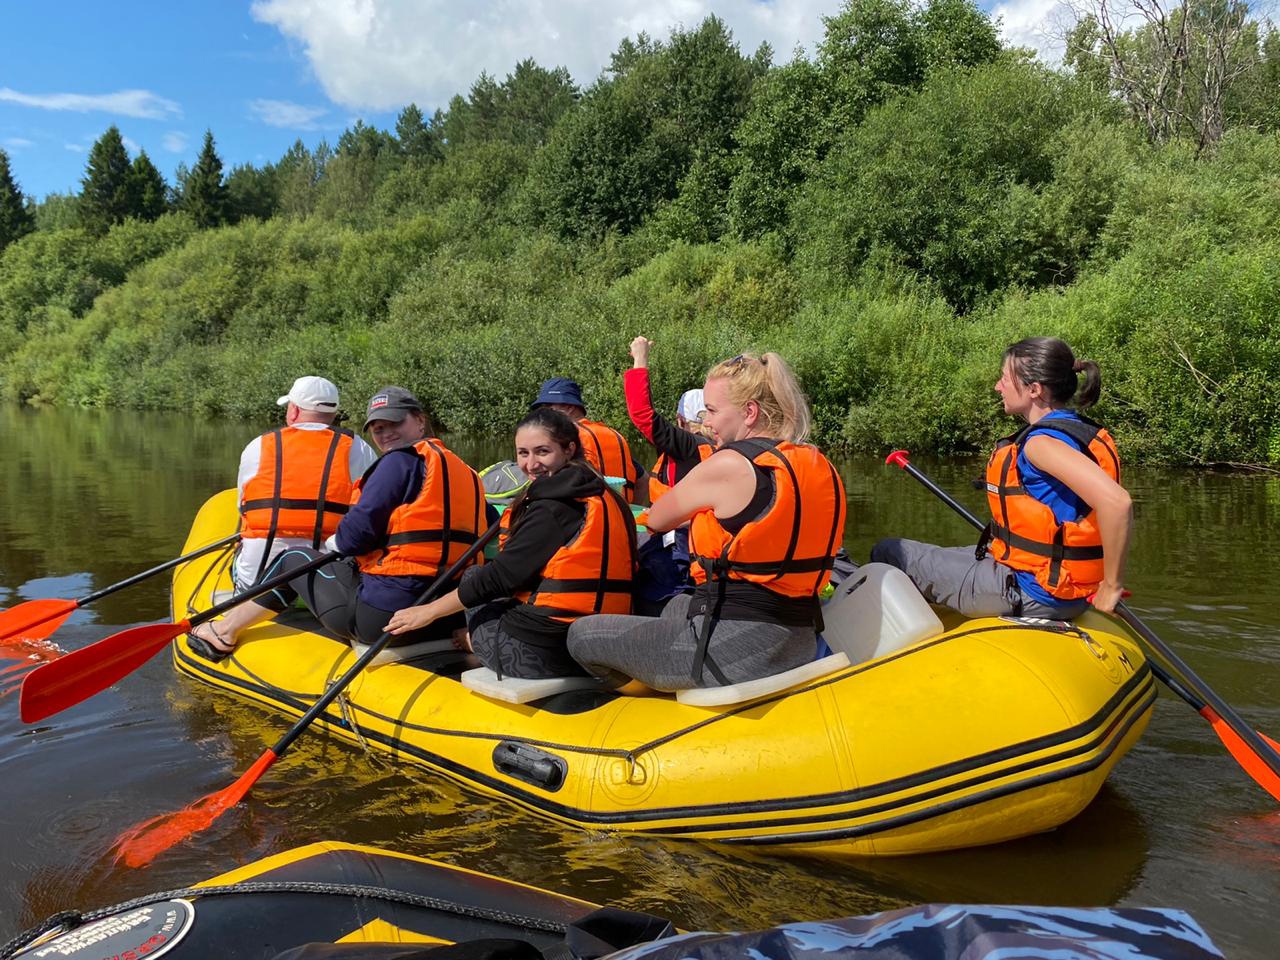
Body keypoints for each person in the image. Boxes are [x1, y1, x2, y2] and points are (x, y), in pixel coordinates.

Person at [567, 352, 847, 691]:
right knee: (675, 607)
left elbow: (656, 518)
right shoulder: (817, 462)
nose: (706, 421)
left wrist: (695, 513)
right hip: (799, 634)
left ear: (749, 412)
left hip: (740, 648)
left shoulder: (728, 464)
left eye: (712, 410)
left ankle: (645, 709)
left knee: (582, 635)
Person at [188, 386, 487, 660]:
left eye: (395, 424)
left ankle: (223, 633)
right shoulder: (468, 474)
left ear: (420, 421)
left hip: (386, 621)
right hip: (447, 615)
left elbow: (353, 538)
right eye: (378, 428)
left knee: (293, 558)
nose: (385, 435)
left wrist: (333, 543)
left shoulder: (398, 462)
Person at [871, 336, 1132, 618]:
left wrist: (1111, 586)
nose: (998, 386)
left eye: (1004, 379)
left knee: (888, 552)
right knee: (941, 554)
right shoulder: (1078, 431)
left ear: (1034, 389)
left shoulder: (1041, 444)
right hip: (1060, 585)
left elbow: (1117, 503)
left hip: (1032, 591)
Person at [386, 407, 637, 680]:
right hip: (596, 639)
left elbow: (499, 578)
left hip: (547, 652)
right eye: (523, 453)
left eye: (542, 451)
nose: (530, 464)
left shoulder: (553, 508)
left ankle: (475, 642)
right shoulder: (603, 494)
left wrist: (428, 612)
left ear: (568, 449)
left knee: (475, 575)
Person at [235, 375, 378, 590]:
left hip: (259, 579)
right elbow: (372, 510)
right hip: (323, 580)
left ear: (294, 410)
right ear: (333, 413)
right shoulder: (359, 448)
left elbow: (242, 506)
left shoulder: (258, 445)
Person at [623, 336, 716, 613]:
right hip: (692, 543)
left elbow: (642, 414)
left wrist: (640, 359)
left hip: (681, 548)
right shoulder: (721, 448)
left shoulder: (688, 446)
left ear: (681, 421)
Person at [531, 377, 643, 503]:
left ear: (568, 407)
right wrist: (631, 508)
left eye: (547, 407)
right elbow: (643, 480)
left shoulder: (565, 437)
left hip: (584, 516)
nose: (543, 414)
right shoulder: (613, 434)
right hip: (619, 512)